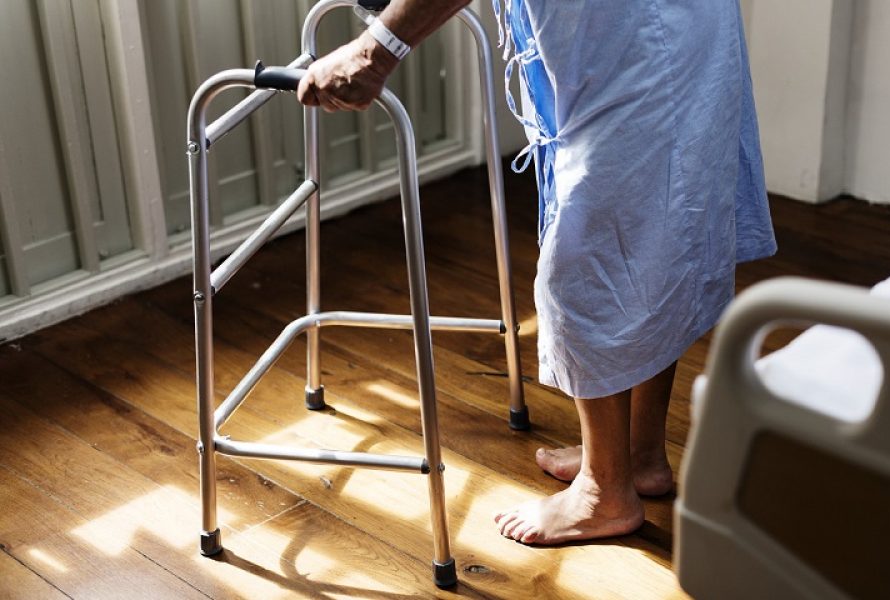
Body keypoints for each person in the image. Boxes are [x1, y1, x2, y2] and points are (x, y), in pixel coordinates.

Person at [298, 0, 776, 546]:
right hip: (656, 29)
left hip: (640, 41)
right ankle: (637, 455)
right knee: (654, 235)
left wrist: (375, 48)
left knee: (592, 256)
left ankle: (605, 493)